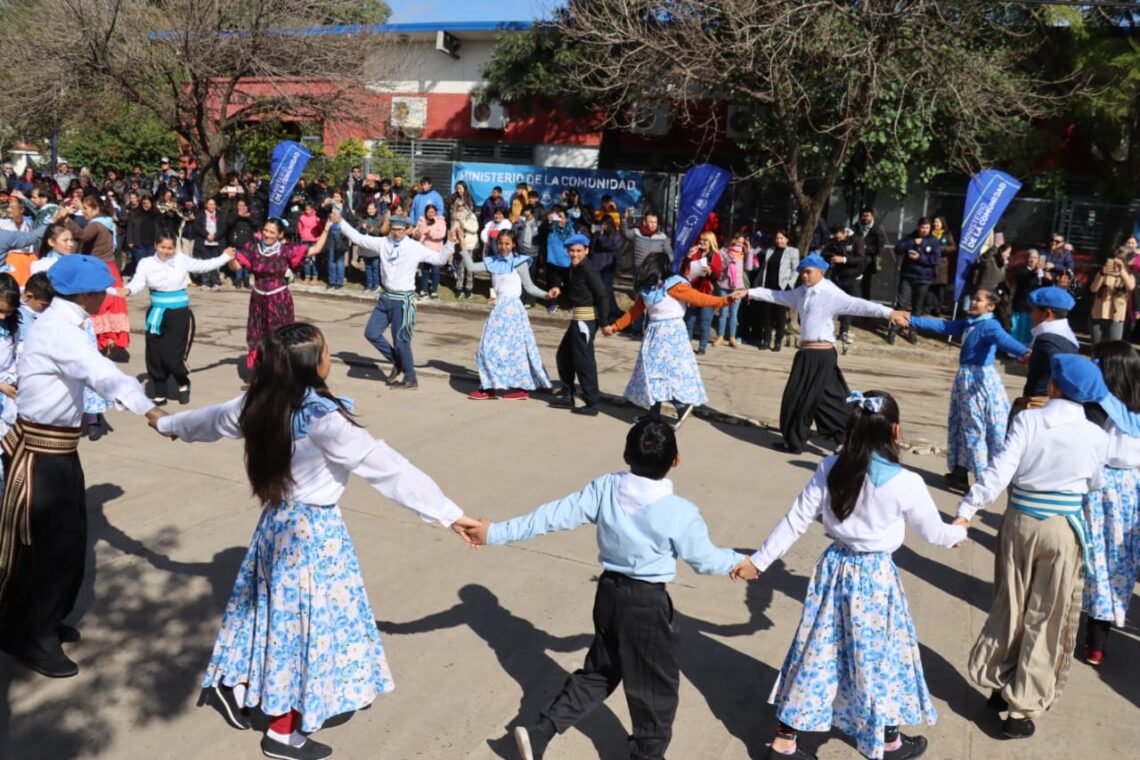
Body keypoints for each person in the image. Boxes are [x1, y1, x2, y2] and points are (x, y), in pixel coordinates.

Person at [154, 322, 479, 760]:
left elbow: (207, 421)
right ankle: (282, 733)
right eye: (325, 350)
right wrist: (452, 514)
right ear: (314, 365)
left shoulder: (258, 402)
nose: (330, 355)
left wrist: (169, 424)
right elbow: (392, 471)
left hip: (276, 526)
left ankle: (242, 685)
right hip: (312, 540)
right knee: (303, 629)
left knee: (273, 619)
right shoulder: (326, 422)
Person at [462, 417, 744, 760]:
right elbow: (704, 559)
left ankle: (540, 732)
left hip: (609, 595)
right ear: (676, 460)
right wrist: (737, 562)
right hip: (647, 604)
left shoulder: (605, 488)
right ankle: (647, 755)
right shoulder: (680, 512)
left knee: (599, 673)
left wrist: (494, 532)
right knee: (655, 689)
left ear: (626, 455)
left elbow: (551, 516)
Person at [732, 390, 966, 760]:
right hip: (875, 579)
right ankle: (886, 741)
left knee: (816, 651)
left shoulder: (830, 467)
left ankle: (784, 741)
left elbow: (796, 520)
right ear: (895, 431)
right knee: (877, 659)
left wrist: (759, 561)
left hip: (834, 569)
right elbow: (936, 534)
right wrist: (961, 529)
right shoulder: (906, 482)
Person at [0, 255, 162, 679]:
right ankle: (29, 637)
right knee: (44, 550)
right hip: (39, 452)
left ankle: (45, 621)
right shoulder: (58, 330)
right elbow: (101, 374)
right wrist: (149, 410)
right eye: (101, 293)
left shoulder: (70, 322)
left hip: (60, 450)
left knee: (69, 544)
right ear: (86, 294)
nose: (104, 300)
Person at [956, 353, 1112, 740]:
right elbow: (1095, 483)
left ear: (1054, 386)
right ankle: (1021, 708)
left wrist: (967, 509)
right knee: (1048, 614)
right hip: (1063, 528)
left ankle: (998, 683)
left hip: (1019, 523)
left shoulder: (1028, 419)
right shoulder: (1098, 435)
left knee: (1010, 602)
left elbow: (1000, 470)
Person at [734, 255, 909, 454]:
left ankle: (833, 440)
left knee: (807, 397)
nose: (804, 276)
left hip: (822, 354)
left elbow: (860, 305)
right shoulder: (801, 293)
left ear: (821, 272)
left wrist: (890, 313)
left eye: (808, 272)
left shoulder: (830, 293)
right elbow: (776, 296)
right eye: (802, 272)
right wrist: (750, 292)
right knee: (823, 399)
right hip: (806, 355)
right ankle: (815, 440)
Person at [909, 289, 1030, 491]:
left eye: (978, 300)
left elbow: (1003, 339)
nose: (973, 302)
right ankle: (959, 473)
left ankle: (984, 481)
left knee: (975, 429)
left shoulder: (988, 325)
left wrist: (1024, 352)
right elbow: (942, 325)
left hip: (978, 383)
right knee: (963, 426)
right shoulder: (970, 324)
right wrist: (911, 320)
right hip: (967, 381)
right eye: (973, 298)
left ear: (990, 306)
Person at [604, 253, 733, 429]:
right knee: (652, 374)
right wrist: (615, 327)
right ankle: (654, 413)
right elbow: (634, 312)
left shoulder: (674, 286)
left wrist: (726, 300)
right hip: (656, 334)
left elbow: (701, 299)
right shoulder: (648, 290)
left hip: (671, 334)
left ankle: (681, 406)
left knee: (664, 374)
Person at [333, 212, 453, 390]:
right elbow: (359, 238)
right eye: (393, 229)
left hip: (403, 300)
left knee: (401, 341)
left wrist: (450, 243)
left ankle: (410, 378)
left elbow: (439, 259)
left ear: (407, 230)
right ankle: (397, 361)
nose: (396, 233)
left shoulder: (414, 247)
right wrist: (341, 222)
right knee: (371, 333)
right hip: (386, 297)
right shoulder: (383, 243)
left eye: (400, 229)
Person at [118, 234, 235, 405]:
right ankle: (160, 390)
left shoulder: (181, 260)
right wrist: (128, 290)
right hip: (156, 313)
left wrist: (225, 257)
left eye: (170, 248)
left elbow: (204, 265)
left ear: (175, 248)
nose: (166, 251)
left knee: (172, 356)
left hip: (178, 314)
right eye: (162, 247)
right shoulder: (146, 263)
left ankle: (182, 382)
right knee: (155, 354)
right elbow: (137, 282)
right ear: (156, 246)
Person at [1080, 341, 1140, 665]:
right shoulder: (1137, 404)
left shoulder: (1098, 404)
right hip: (1132, 488)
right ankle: (1098, 642)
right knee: (1119, 565)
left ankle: (1089, 632)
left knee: (1094, 560)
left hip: (1099, 485)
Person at [458, 231, 552, 401]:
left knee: (516, 351)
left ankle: (521, 388)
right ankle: (489, 386)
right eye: (500, 243)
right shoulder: (492, 262)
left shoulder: (519, 262)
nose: (503, 247)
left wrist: (547, 295)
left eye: (507, 243)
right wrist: (461, 243)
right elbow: (471, 267)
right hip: (498, 310)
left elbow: (530, 287)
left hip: (514, 311)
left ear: (514, 244)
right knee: (487, 348)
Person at [227, 218, 330, 370]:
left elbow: (315, 249)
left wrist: (327, 228)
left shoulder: (286, 250)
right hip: (258, 300)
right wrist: (229, 258)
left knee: (280, 337)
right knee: (257, 336)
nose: (267, 235)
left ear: (280, 234)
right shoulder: (253, 248)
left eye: (272, 232)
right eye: (265, 231)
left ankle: (280, 375)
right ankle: (259, 375)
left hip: (279, 300)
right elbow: (235, 267)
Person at [548, 234, 610, 416]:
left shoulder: (588, 269)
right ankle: (568, 394)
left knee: (584, 361)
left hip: (585, 320)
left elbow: (602, 295)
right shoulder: (575, 268)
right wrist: (559, 290)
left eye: (578, 251)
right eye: (572, 251)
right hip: (577, 319)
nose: (574, 254)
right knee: (564, 355)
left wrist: (605, 322)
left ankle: (592, 402)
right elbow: (573, 289)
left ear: (586, 251)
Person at [64, 194, 131, 354]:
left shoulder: (95, 225)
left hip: (98, 268)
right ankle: (110, 337)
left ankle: (101, 340)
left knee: (98, 304)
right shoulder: (106, 221)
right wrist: (81, 207)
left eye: (86, 209)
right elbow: (91, 223)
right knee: (111, 304)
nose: (84, 212)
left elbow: (82, 236)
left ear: (95, 209)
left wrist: (67, 220)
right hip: (110, 267)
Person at [1014, 286, 1078, 415]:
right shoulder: (1066, 337)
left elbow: (1060, 368)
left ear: (1048, 314)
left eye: (1033, 311)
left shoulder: (1047, 341)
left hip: (1040, 405)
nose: (1031, 316)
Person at [887, 218, 940, 345]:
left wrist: (920, 257)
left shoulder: (934, 241)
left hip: (924, 279)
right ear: (918, 227)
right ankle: (893, 331)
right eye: (922, 227)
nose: (924, 230)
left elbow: (935, 260)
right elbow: (898, 249)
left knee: (918, 307)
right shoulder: (910, 237)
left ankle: (912, 331)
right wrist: (911, 243)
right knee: (902, 304)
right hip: (907, 277)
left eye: (927, 228)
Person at [747, 230, 800, 351]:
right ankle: (766, 341)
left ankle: (777, 342)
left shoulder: (793, 251)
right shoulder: (770, 250)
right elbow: (764, 268)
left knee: (780, 316)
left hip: (782, 288)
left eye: (781, 238)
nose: (779, 240)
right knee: (767, 315)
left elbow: (796, 270)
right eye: (777, 238)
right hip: (768, 287)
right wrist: (758, 283)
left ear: (787, 239)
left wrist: (790, 284)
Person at [823, 225, 866, 344]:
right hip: (837, 276)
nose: (838, 240)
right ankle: (828, 330)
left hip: (853, 278)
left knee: (848, 305)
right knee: (833, 303)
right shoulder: (834, 241)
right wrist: (830, 257)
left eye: (839, 238)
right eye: (836, 238)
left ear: (844, 232)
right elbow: (825, 252)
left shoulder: (857, 241)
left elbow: (860, 259)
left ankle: (844, 331)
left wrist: (844, 260)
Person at [681, 232, 719, 355]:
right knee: (689, 320)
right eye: (701, 240)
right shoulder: (695, 253)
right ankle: (686, 346)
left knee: (705, 321)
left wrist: (710, 272)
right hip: (693, 291)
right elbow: (684, 270)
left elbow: (718, 275)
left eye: (705, 241)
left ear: (711, 242)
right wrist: (688, 257)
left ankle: (702, 347)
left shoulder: (715, 256)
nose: (702, 243)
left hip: (707, 292)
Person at [1088, 247, 1135, 344]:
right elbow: (1093, 289)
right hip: (1098, 313)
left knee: (1114, 347)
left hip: (1116, 316)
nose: (1116, 262)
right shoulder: (1104, 272)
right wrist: (1102, 273)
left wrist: (1122, 271)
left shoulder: (1129, 275)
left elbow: (1130, 286)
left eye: (1120, 260)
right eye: (1115, 258)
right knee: (1097, 346)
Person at [710, 234, 747, 348]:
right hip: (724, 286)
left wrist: (749, 253)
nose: (739, 245)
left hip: (737, 288)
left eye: (741, 243)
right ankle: (720, 336)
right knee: (723, 313)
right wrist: (728, 260)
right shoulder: (722, 252)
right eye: (737, 243)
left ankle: (732, 337)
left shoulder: (739, 252)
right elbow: (719, 268)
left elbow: (746, 268)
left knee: (733, 314)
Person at [191, 197, 228, 291]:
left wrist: (215, 236)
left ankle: (215, 282)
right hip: (204, 242)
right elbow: (197, 226)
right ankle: (205, 282)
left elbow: (223, 228)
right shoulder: (200, 215)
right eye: (210, 204)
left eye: (213, 204)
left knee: (215, 263)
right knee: (206, 263)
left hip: (216, 242)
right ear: (206, 205)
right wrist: (207, 235)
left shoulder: (219, 215)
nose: (212, 206)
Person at [412, 204, 447, 300]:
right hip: (424, 250)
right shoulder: (422, 221)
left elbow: (442, 234)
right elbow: (416, 234)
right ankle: (424, 290)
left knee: (436, 271)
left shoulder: (440, 221)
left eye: (433, 212)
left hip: (436, 250)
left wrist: (430, 233)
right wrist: (417, 232)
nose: (431, 214)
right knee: (425, 271)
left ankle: (434, 291)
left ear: (435, 212)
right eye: (429, 212)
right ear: (425, 212)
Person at [1010, 248, 1044, 344]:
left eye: (1035, 258)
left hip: (1033, 306)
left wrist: (1047, 278)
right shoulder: (1021, 270)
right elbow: (1025, 277)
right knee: (1017, 328)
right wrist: (1035, 272)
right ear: (1026, 259)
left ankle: (1026, 349)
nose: (1032, 260)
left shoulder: (1040, 273)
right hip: (1020, 305)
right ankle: (1013, 349)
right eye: (1030, 258)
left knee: (1029, 329)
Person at [926, 216, 957, 316]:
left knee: (940, 288)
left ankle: (938, 308)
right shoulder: (930, 234)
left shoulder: (947, 234)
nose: (936, 224)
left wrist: (940, 248)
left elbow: (953, 247)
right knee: (930, 287)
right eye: (934, 222)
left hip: (942, 265)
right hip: (929, 263)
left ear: (942, 223)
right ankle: (928, 307)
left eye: (938, 222)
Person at [448, 200, 479, 299]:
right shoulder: (454, 217)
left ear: (466, 206)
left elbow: (475, 229)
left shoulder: (471, 216)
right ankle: (459, 288)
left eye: (462, 205)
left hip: (470, 245)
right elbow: (453, 230)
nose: (460, 207)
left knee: (469, 268)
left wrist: (463, 222)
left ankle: (469, 289)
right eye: (458, 206)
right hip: (460, 244)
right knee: (460, 267)